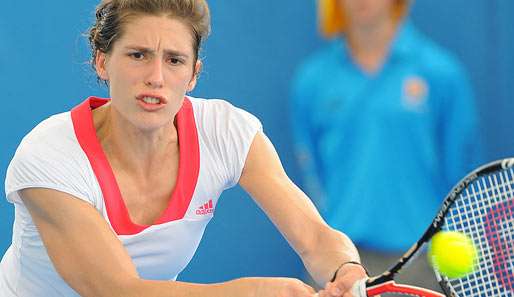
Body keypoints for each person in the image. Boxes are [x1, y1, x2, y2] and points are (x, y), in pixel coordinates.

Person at [0, 1, 369, 296]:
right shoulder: (49, 155)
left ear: (193, 74)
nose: (156, 77)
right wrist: (252, 292)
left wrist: (345, 270)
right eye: (138, 55)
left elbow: (315, 237)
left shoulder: (227, 131)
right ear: (102, 62)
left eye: (174, 60)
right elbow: (116, 290)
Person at [290, 0, 482, 290]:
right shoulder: (311, 81)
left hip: (423, 266)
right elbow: (312, 174)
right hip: (341, 266)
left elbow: (461, 171)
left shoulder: (442, 74)